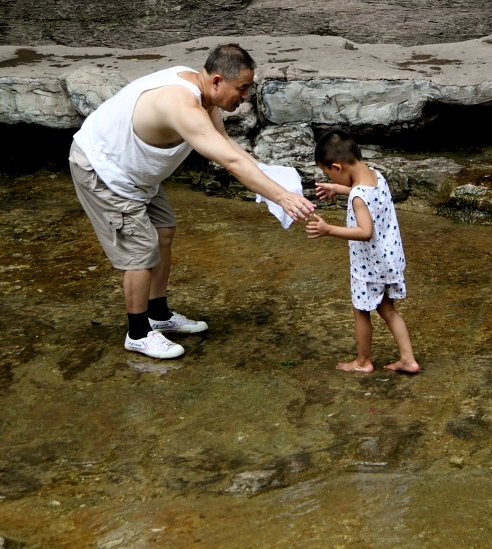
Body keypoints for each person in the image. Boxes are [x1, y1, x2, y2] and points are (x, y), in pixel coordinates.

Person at [69, 44, 316, 360]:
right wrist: (281, 197)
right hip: (103, 168)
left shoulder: (206, 98)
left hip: (136, 172)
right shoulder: (182, 105)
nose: (244, 98)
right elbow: (229, 161)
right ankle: (138, 333)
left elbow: (226, 144)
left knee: (164, 231)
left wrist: (269, 176)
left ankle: (158, 314)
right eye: (241, 89)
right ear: (216, 81)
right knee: (142, 248)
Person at [305, 130, 420, 374]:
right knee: (388, 309)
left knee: (361, 310)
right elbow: (362, 191)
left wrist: (328, 229)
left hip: (370, 265)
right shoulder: (376, 176)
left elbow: (365, 231)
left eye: (329, 173)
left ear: (337, 167)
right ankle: (408, 359)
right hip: (390, 258)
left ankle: (363, 361)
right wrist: (337, 187)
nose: (330, 177)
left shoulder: (358, 197)